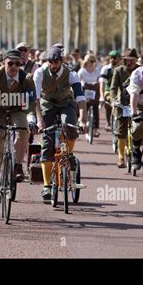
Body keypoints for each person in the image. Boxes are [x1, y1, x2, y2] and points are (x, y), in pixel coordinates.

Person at [0, 49, 37, 206]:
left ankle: (18, 165)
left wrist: (32, 119)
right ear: (3, 63)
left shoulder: (26, 78)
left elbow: (31, 102)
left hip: (16, 110)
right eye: (10, 63)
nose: (13, 67)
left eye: (17, 64)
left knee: (23, 129)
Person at [34, 45, 87, 202]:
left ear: (61, 61)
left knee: (70, 127)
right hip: (46, 104)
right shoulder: (39, 73)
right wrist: (39, 120)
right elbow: (36, 99)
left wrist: (82, 120)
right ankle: (47, 186)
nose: (53, 64)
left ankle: (69, 154)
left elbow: (80, 98)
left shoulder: (71, 74)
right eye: (50, 61)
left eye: (56, 61)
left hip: (65, 103)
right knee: (47, 143)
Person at [110, 48, 139, 168]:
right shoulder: (118, 71)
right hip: (123, 104)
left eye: (132, 60)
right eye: (127, 60)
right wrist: (113, 100)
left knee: (138, 129)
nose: (129, 63)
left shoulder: (140, 70)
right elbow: (113, 88)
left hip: (137, 104)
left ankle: (137, 154)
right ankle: (121, 157)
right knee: (121, 132)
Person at [78, 54, 101, 137]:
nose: (92, 63)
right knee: (83, 106)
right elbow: (79, 80)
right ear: (86, 61)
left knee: (95, 108)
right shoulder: (82, 71)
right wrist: (83, 83)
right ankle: (81, 123)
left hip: (94, 90)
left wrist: (96, 83)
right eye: (90, 61)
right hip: (85, 89)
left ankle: (95, 129)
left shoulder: (97, 71)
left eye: (93, 61)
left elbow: (99, 80)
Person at [99, 50, 122, 131]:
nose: (112, 59)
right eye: (111, 57)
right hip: (108, 90)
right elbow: (102, 84)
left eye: (115, 58)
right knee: (110, 101)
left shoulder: (121, 69)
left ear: (119, 59)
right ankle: (108, 122)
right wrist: (101, 96)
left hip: (120, 91)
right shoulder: (105, 69)